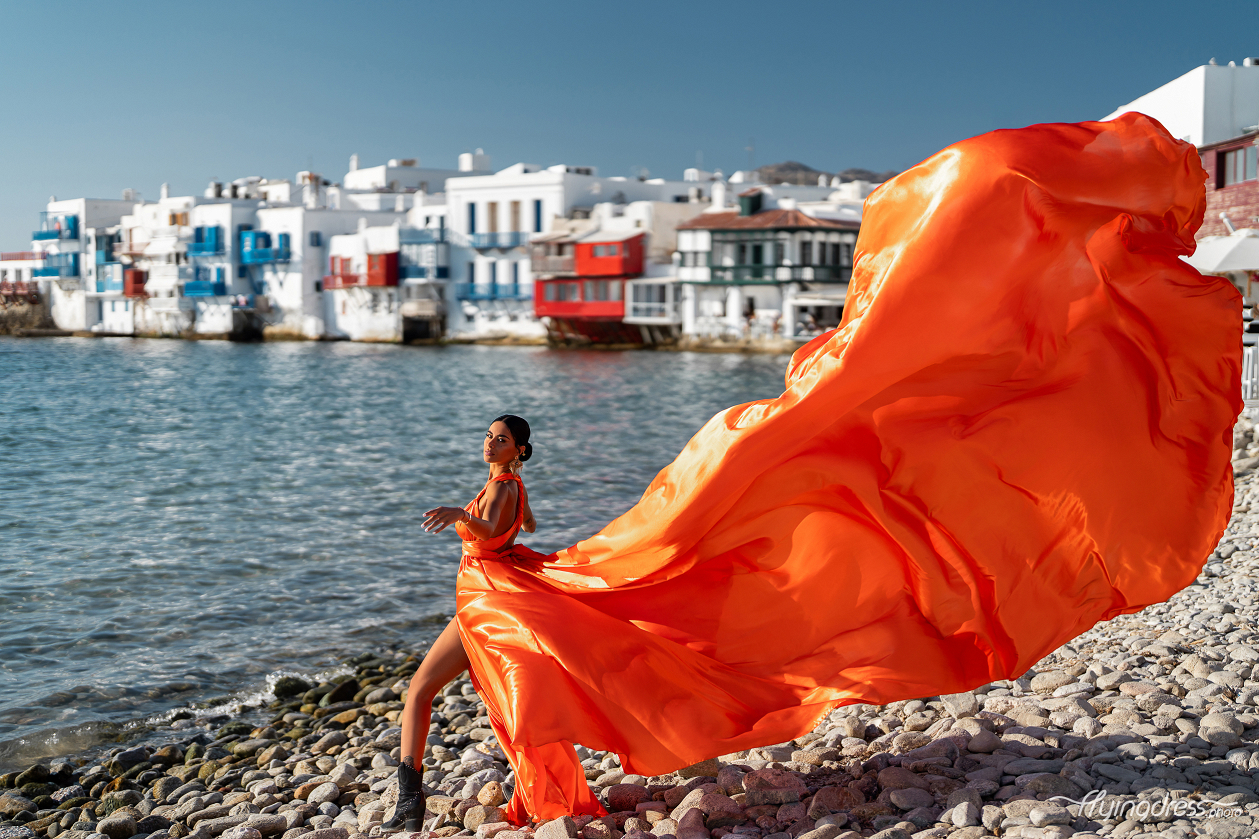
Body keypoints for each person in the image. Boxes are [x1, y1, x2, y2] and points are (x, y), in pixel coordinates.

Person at [382, 414, 535, 832]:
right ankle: (531, 783)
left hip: (482, 605)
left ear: (518, 450)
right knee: (502, 702)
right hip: (489, 597)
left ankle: (409, 802)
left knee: (419, 691)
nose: (490, 443)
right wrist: (512, 533)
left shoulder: (503, 485)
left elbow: (487, 527)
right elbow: (525, 523)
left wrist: (461, 516)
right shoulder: (508, 484)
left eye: (501, 440)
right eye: (488, 435)